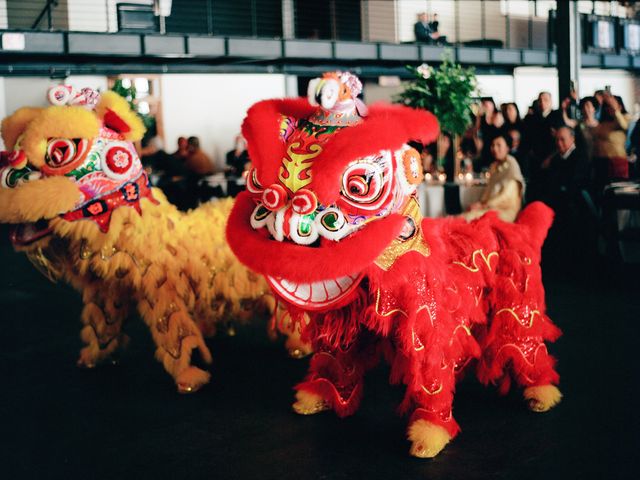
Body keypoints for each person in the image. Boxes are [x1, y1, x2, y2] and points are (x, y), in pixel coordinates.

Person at [464, 134, 525, 223]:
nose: (495, 149)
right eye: (493, 145)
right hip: (492, 208)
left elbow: (506, 197)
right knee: (469, 213)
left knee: (470, 218)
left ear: (507, 148)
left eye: (498, 145)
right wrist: (480, 203)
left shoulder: (512, 166)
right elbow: (488, 191)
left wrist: (484, 205)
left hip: (505, 211)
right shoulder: (495, 166)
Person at [592, 93, 630, 189]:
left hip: (616, 161)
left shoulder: (625, 118)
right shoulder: (603, 123)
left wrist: (616, 110)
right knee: (601, 191)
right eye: (607, 106)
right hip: (600, 161)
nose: (609, 109)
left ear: (620, 106)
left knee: (618, 191)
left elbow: (624, 126)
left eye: (611, 106)